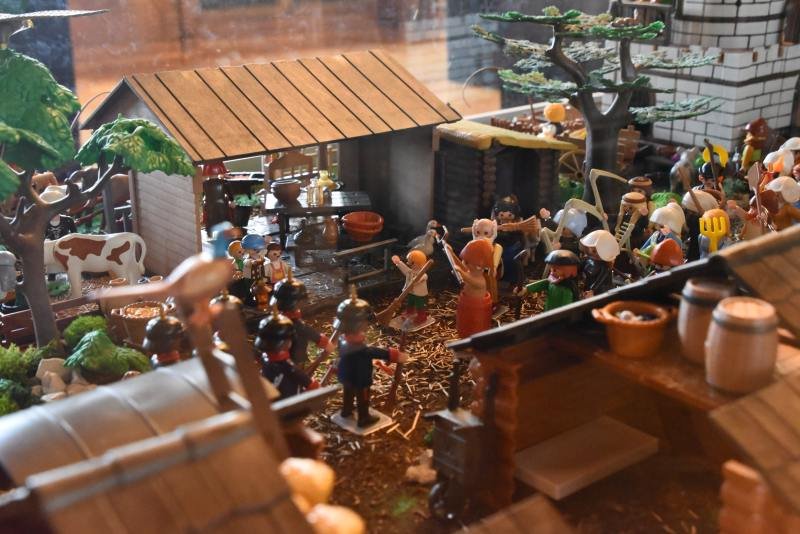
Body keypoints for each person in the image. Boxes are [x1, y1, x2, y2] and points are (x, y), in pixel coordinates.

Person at [334, 287, 407, 428]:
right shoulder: (361, 349)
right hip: (360, 379)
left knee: (348, 393)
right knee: (363, 397)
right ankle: (364, 417)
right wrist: (395, 355)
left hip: (346, 375)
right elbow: (376, 352)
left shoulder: (342, 341)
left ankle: (346, 411)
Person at [255, 307, 318, 399]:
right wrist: (314, 386)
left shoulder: (264, 360)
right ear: (286, 343)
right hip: (291, 402)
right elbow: (310, 384)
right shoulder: (288, 366)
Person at [271, 271, 331, 366]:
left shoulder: (272, 322)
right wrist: (327, 344)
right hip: (295, 364)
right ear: (298, 303)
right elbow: (324, 343)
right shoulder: (298, 326)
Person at [450, 238, 494, 338]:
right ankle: (463, 335)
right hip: (466, 304)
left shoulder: (480, 281)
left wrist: (461, 272)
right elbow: (461, 266)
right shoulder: (470, 271)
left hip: (477, 309)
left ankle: (473, 340)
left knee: (475, 326)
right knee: (465, 323)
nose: (463, 263)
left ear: (478, 266)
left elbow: (469, 279)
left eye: (466, 262)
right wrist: (451, 253)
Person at [391, 250, 430, 325]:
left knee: (419, 305)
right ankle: (409, 312)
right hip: (410, 292)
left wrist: (416, 280)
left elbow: (420, 279)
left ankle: (422, 316)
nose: (408, 264)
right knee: (410, 303)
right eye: (408, 262)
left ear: (418, 263)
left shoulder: (423, 275)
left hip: (419, 295)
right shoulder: (410, 272)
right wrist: (398, 262)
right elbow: (405, 268)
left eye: (411, 262)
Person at [579, 230, 620, 297]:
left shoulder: (604, 266)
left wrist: (592, 290)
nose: (595, 254)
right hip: (587, 284)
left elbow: (600, 280)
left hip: (600, 291)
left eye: (596, 251)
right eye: (593, 250)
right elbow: (580, 268)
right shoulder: (588, 259)